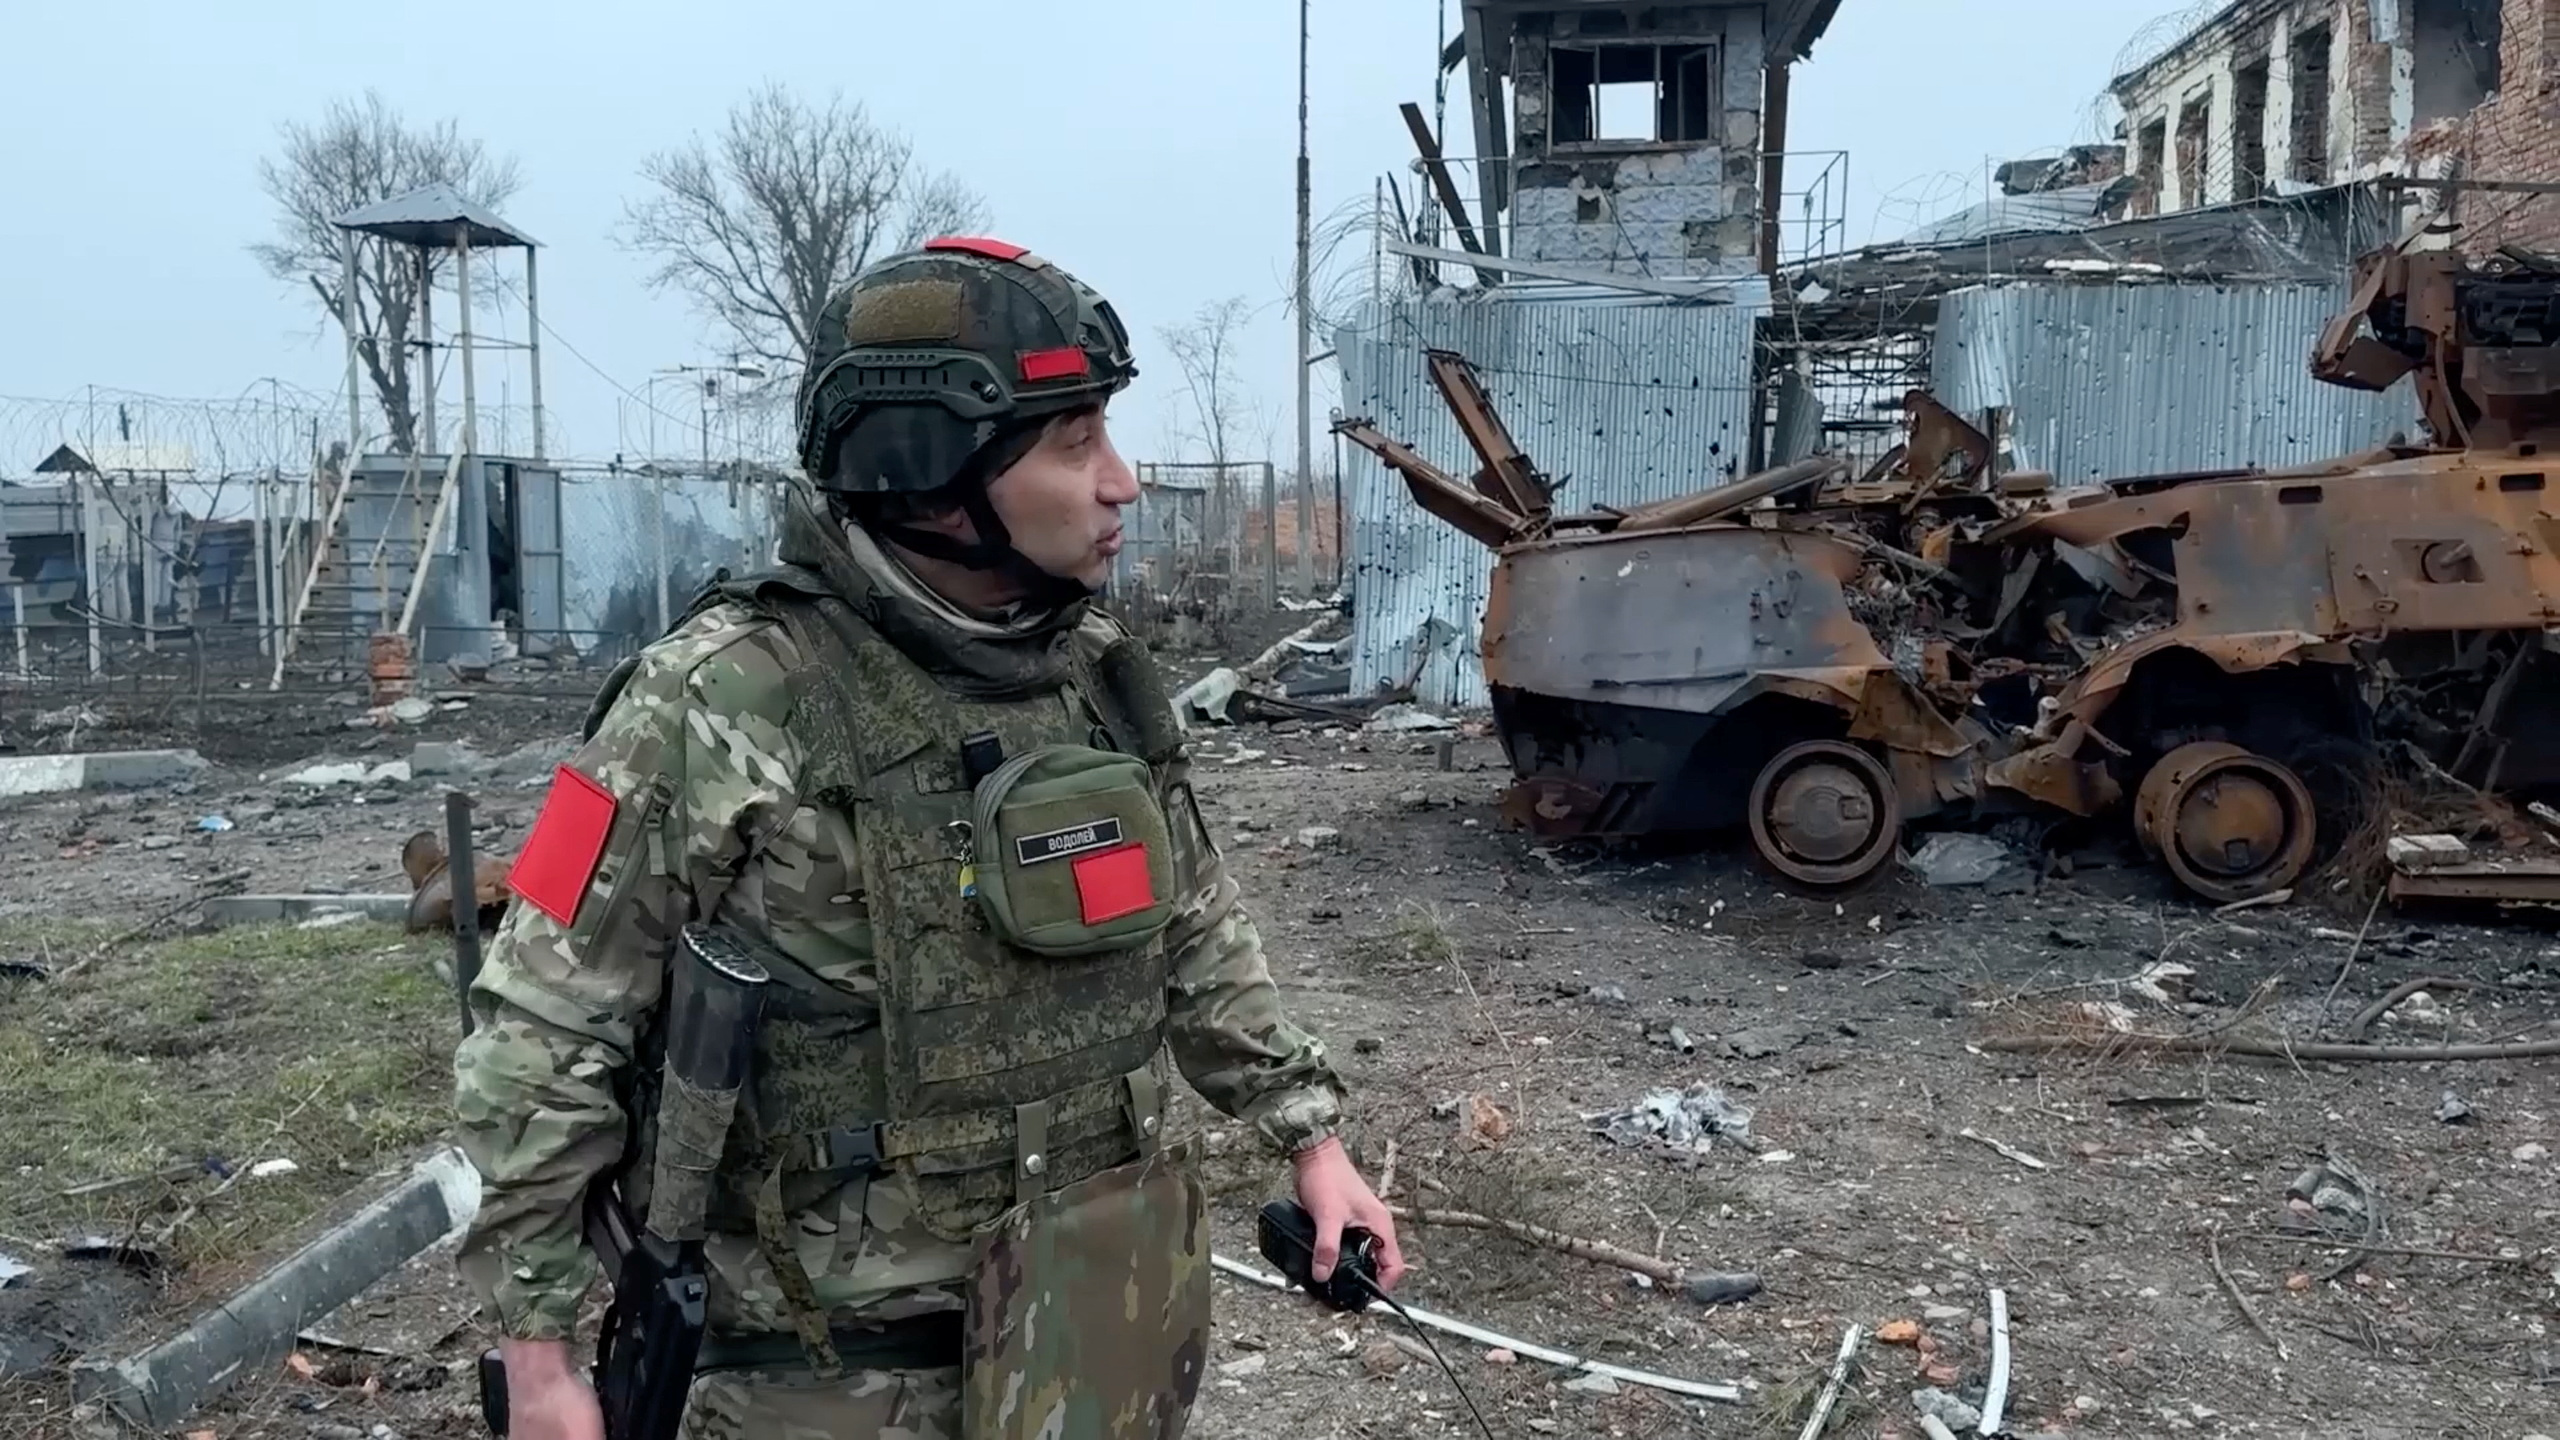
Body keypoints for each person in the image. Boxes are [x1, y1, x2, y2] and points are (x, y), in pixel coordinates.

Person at [452, 236, 1402, 1440]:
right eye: (1073, 441)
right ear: (932, 471)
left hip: (1083, 1336)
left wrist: (1310, 1140)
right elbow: (540, 1022)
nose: (1123, 481)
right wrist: (536, 1353)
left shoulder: (1097, 679)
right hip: (822, 1378)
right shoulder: (716, 698)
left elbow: (1192, 924)